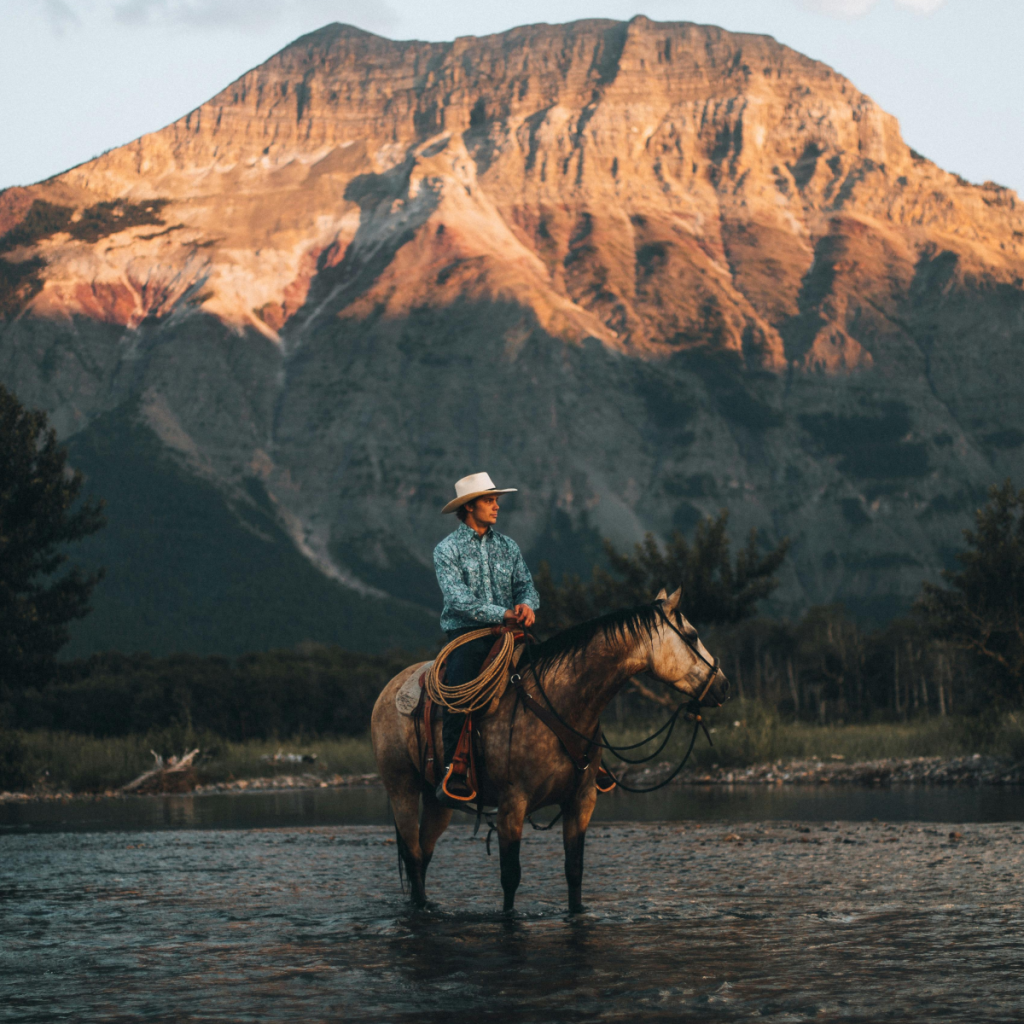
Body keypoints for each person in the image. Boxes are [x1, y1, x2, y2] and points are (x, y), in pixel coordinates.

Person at [433, 472, 539, 807]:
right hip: (468, 634)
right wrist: (504, 614)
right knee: (459, 692)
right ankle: (455, 769)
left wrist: (526, 605)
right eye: (489, 501)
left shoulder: (508, 546)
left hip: (512, 633)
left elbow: (526, 585)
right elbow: (458, 600)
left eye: (495, 501)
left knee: (559, 676)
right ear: (469, 507)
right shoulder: (446, 550)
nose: (496, 507)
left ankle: (581, 759)